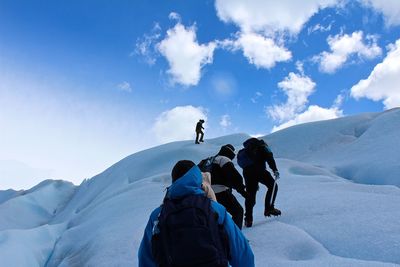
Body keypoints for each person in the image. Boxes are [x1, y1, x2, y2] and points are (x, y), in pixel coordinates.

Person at [138, 160, 255, 267]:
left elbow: (146, 257)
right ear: (198, 178)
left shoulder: (158, 215)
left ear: (174, 181)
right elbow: (242, 253)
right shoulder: (215, 209)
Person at [239, 138, 281, 228]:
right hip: (259, 170)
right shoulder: (263, 146)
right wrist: (275, 170)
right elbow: (270, 158)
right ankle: (269, 208)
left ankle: (248, 219)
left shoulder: (247, 150)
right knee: (273, 186)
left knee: (250, 195)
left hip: (247, 173)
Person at [208, 144, 247, 229]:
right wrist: (243, 191)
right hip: (221, 191)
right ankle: (235, 239)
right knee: (238, 212)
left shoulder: (210, 160)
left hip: (207, 193)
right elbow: (234, 176)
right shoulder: (223, 159)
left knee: (217, 216)